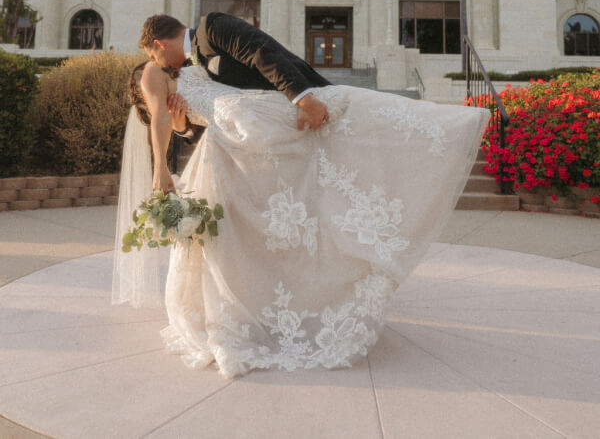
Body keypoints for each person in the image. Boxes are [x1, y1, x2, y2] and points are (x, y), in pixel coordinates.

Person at [113, 53, 490, 378]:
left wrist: (167, 154)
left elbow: (174, 113)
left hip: (247, 128)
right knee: (253, 234)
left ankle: (442, 128)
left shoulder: (168, 68)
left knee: (275, 218)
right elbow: (171, 117)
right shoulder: (161, 73)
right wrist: (169, 149)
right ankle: (266, 310)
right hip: (233, 141)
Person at [139, 13, 332, 191]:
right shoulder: (189, 70)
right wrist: (183, 129)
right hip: (276, 139)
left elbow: (262, 54)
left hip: (311, 105)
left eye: (154, 56)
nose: (159, 63)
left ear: (161, 44)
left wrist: (304, 99)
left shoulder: (211, 26)